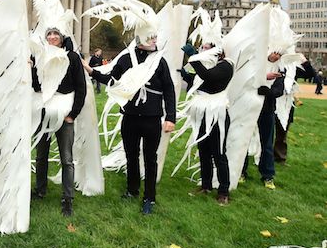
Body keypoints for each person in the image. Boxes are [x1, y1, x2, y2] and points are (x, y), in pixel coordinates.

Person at [88, 35, 176, 215]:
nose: (154, 41)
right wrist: (91, 71)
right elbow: (112, 79)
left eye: (155, 38)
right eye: (150, 38)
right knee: (131, 155)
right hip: (130, 116)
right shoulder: (127, 58)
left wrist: (171, 117)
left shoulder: (159, 61)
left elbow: (169, 89)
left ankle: (149, 197)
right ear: (140, 39)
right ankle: (132, 190)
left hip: (152, 118)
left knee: (150, 159)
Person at [32, 28, 86, 216]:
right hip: (44, 111)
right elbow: (36, 85)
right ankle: (40, 189)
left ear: (62, 37)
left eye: (56, 34)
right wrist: (30, 67)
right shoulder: (40, 56)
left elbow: (81, 87)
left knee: (66, 157)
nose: (52, 37)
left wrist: (73, 114)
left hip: (64, 112)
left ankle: (67, 198)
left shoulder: (72, 57)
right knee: (41, 154)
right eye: (49, 34)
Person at [180, 42, 233, 204]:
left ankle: (224, 191)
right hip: (202, 113)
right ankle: (206, 185)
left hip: (218, 115)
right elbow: (200, 83)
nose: (204, 50)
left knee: (219, 154)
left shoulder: (226, 65)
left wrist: (193, 58)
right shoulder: (206, 64)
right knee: (203, 151)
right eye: (202, 47)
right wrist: (184, 74)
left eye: (207, 47)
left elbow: (209, 77)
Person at [241, 52, 285, 189]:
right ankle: (241, 171)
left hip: (267, 111)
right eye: (274, 53)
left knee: (267, 143)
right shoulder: (254, 63)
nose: (276, 57)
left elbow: (278, 91)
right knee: (244, 140)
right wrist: (263, 79)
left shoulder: (280, 69)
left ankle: (267, 175)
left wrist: (265, 90)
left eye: (279, 55)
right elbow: (245, 81)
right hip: (249, 108)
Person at [274, 58, 315, 163]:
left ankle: (280, 156)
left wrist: (304, 61)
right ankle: (264, 155)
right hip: (270, 99)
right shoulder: (272, 63)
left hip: (286, 102)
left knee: (282, 131)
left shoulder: (292, 66)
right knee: (266, 131)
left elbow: (310, 74)